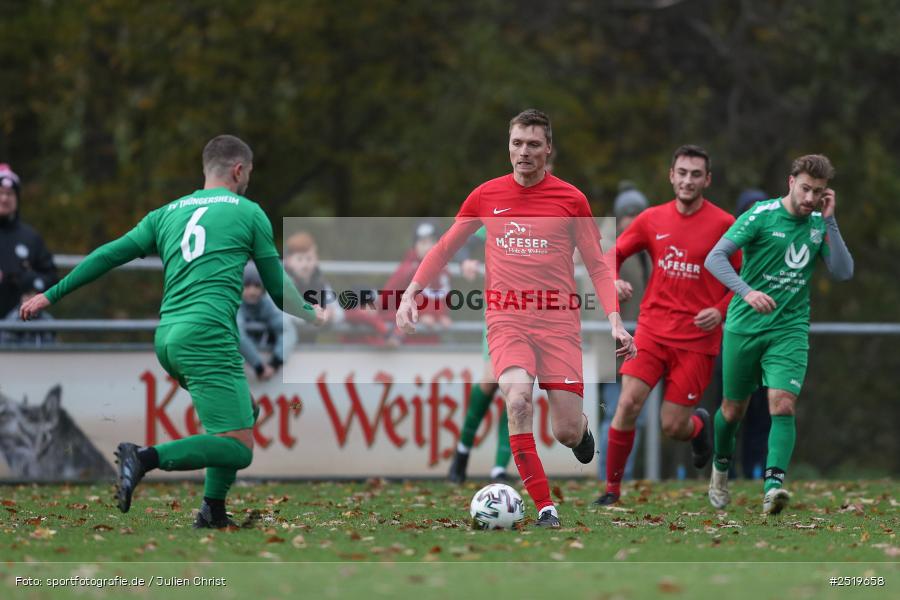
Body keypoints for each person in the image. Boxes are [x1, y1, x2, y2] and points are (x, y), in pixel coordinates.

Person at [20, 135, 325, 528]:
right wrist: (314, 314)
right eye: (247, 173)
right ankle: (143, 457)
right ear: (238, 170)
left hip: (168, 338)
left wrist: (51, 295)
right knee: (239, 449)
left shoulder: (166, 213)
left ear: (206, 169)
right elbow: (280, 292)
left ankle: (212, 510)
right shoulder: (249, 213)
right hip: (208, 336)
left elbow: (108, 254)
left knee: (245, 410)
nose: (247, 179)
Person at [396, 109, 635, 528]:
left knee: (564, 431)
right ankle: (545, 507)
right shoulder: (485, 196)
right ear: (508, 146)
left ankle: (581, 431)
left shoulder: (571, 200)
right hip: (507, 319)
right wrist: (412, 292)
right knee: (518, 399)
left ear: (548, 150)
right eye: (517, 144)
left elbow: (598, 265)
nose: (524, 152)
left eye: (533, 145)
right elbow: (446, 248)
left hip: (559, 323)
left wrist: (614, 318)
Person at [704, 154, 853, 515]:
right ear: (791, 183)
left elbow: (843, 272)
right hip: (744, 326)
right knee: (732, 409)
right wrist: (746, 292)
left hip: (789, 329)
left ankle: (773, 487)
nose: (810, 198)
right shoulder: (761, 215)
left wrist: (831, 222)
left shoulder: (819, 224)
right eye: (805, 189)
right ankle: (720, 468)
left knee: (783, 404)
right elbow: (715, 258)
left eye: (818, 192)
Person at [595, 145, 740, 506]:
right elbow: (609, 256)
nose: (688, 180)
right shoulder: (651, 219)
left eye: (696, 174)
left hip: (696, 341)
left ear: (707, 180)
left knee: (672, 427)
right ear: (671, 176)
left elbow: (746, 278)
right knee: (627, 404)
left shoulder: (724, 225)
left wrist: (721, 309)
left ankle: (699, 427)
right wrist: (612, 281)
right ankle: (611, 491)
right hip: (652, 332)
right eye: (682, 173)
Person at [447, 226, 511, 483]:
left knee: (517, 391)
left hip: (533, 315)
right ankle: (462, 453)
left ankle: (499, 469)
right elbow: (463, 242)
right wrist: (466, 260)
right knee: (492, 379)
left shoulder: (546, 215)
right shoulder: (500, 215)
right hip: (499, 312)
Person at [597, 183, 651, 482]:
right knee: (613, 414)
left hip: (642, 344)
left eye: (638, 213)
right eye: (628, 214)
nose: (634, 219)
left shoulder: (647, 249)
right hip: (613, 347)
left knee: (638, 417)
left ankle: (624, 475)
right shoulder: (608, 247)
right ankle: (610, 476)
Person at [0, 164, 57, 317]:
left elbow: (51, 278)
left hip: (20, 329)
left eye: (10, 193)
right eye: (0, 193)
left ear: (17, 198)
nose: (4, 198)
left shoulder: (30, 237)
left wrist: (31, 282)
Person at [238, 262, 299, 381]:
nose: (252, 291)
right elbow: (237, 333)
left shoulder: (266, 304)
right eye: (247, 285)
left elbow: (287, 329)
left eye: (257, 285)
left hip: (263, 369)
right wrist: (258, 366)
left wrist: (275, 362)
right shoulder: (234, 304)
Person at [283, 231, 343, 343]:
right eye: (300, 259)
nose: (305, 265)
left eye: (309, 259)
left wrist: (330, 314)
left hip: (309, 345)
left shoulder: (321, 283)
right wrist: (313, 315)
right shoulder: (281, 283)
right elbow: (281, 315)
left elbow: (339, 313)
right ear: (289, 261)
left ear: (316, 260)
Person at [1, 271, 55, 347]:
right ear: (22, 296)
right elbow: (8, 353)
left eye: (38, 295)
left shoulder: (48, 320)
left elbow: (51, 351)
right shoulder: (12, 321)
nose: (35, 299)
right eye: (30, 295)